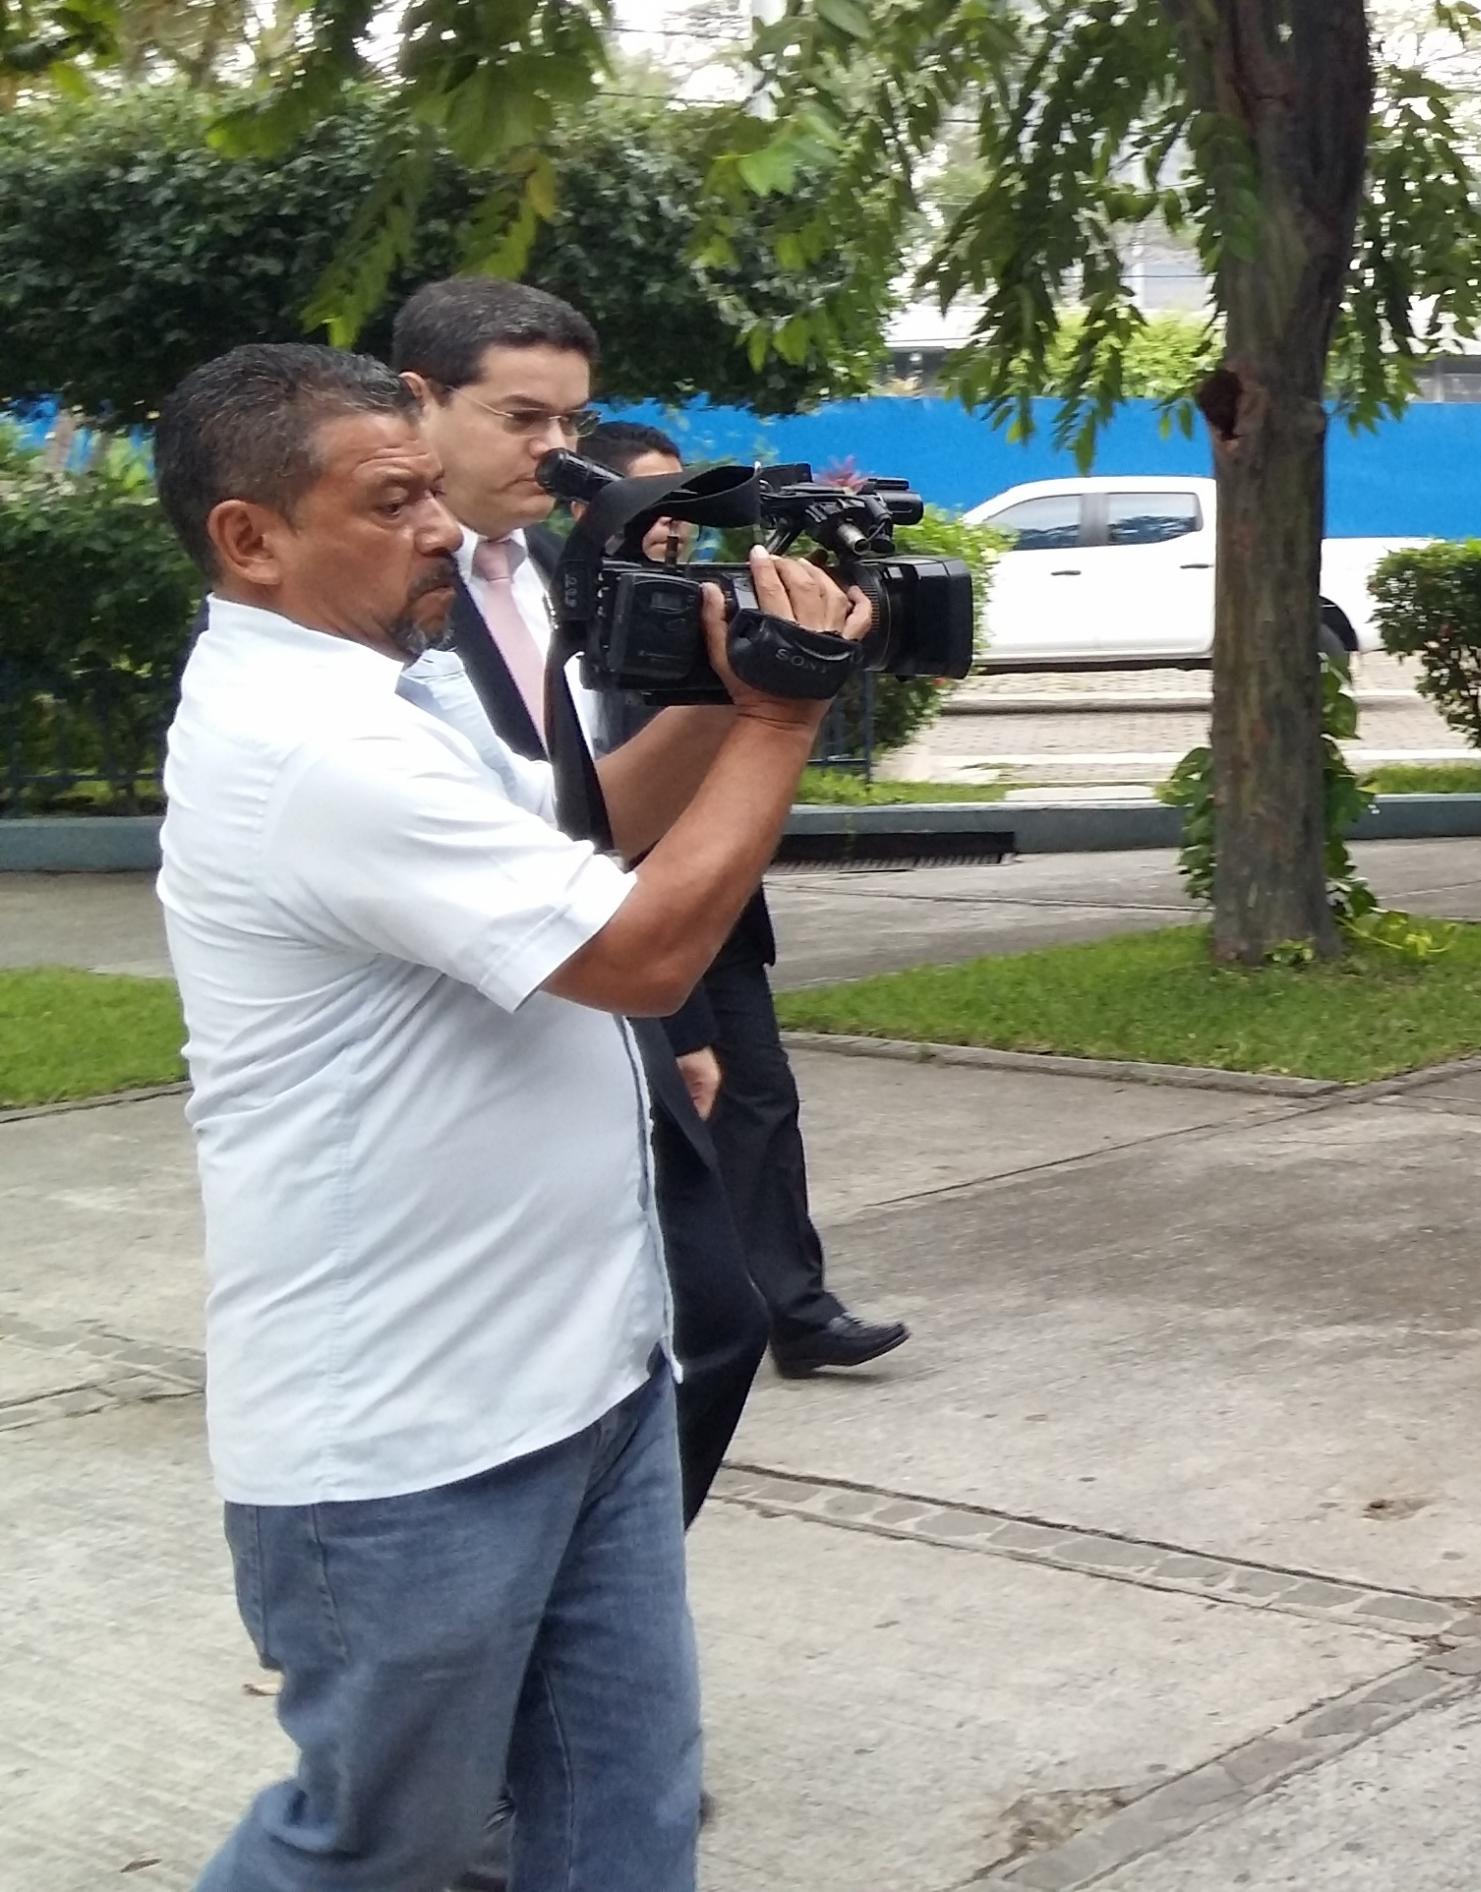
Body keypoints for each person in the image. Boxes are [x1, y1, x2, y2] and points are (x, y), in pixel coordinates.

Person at [154, 342, 870, 1888]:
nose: (437, 528)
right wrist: (783, 726)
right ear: (248, 537)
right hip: (411, 1440)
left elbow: (583, 835)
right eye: (391, 499)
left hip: (583, 1377)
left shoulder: (390, 694)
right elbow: (639, 948)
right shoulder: (312, 749)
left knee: (623, 1817)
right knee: (372, 1851)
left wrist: (730, 689)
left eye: (429, 491)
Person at [388, 277, 772, 1520]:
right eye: (521, 419)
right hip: (464, 1042)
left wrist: (687, 1020)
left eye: (571, 422)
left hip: (610, 986)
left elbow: (590, 814)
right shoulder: (363, 602)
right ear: (418, 402)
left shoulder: (562, 566)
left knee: (715, 1315)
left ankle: (608, 1594)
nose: (555, 453)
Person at [574, 419, 911, 1377]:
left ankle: (797, 1313)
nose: (674, 526)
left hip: (719, 907)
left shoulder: (714, 602)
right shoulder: (564, 618)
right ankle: (685, 1318)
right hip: (617, 907)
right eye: (652, 503)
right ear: (590, 509)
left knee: (761, 1102)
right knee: (677, 1111)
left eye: (683, 505)